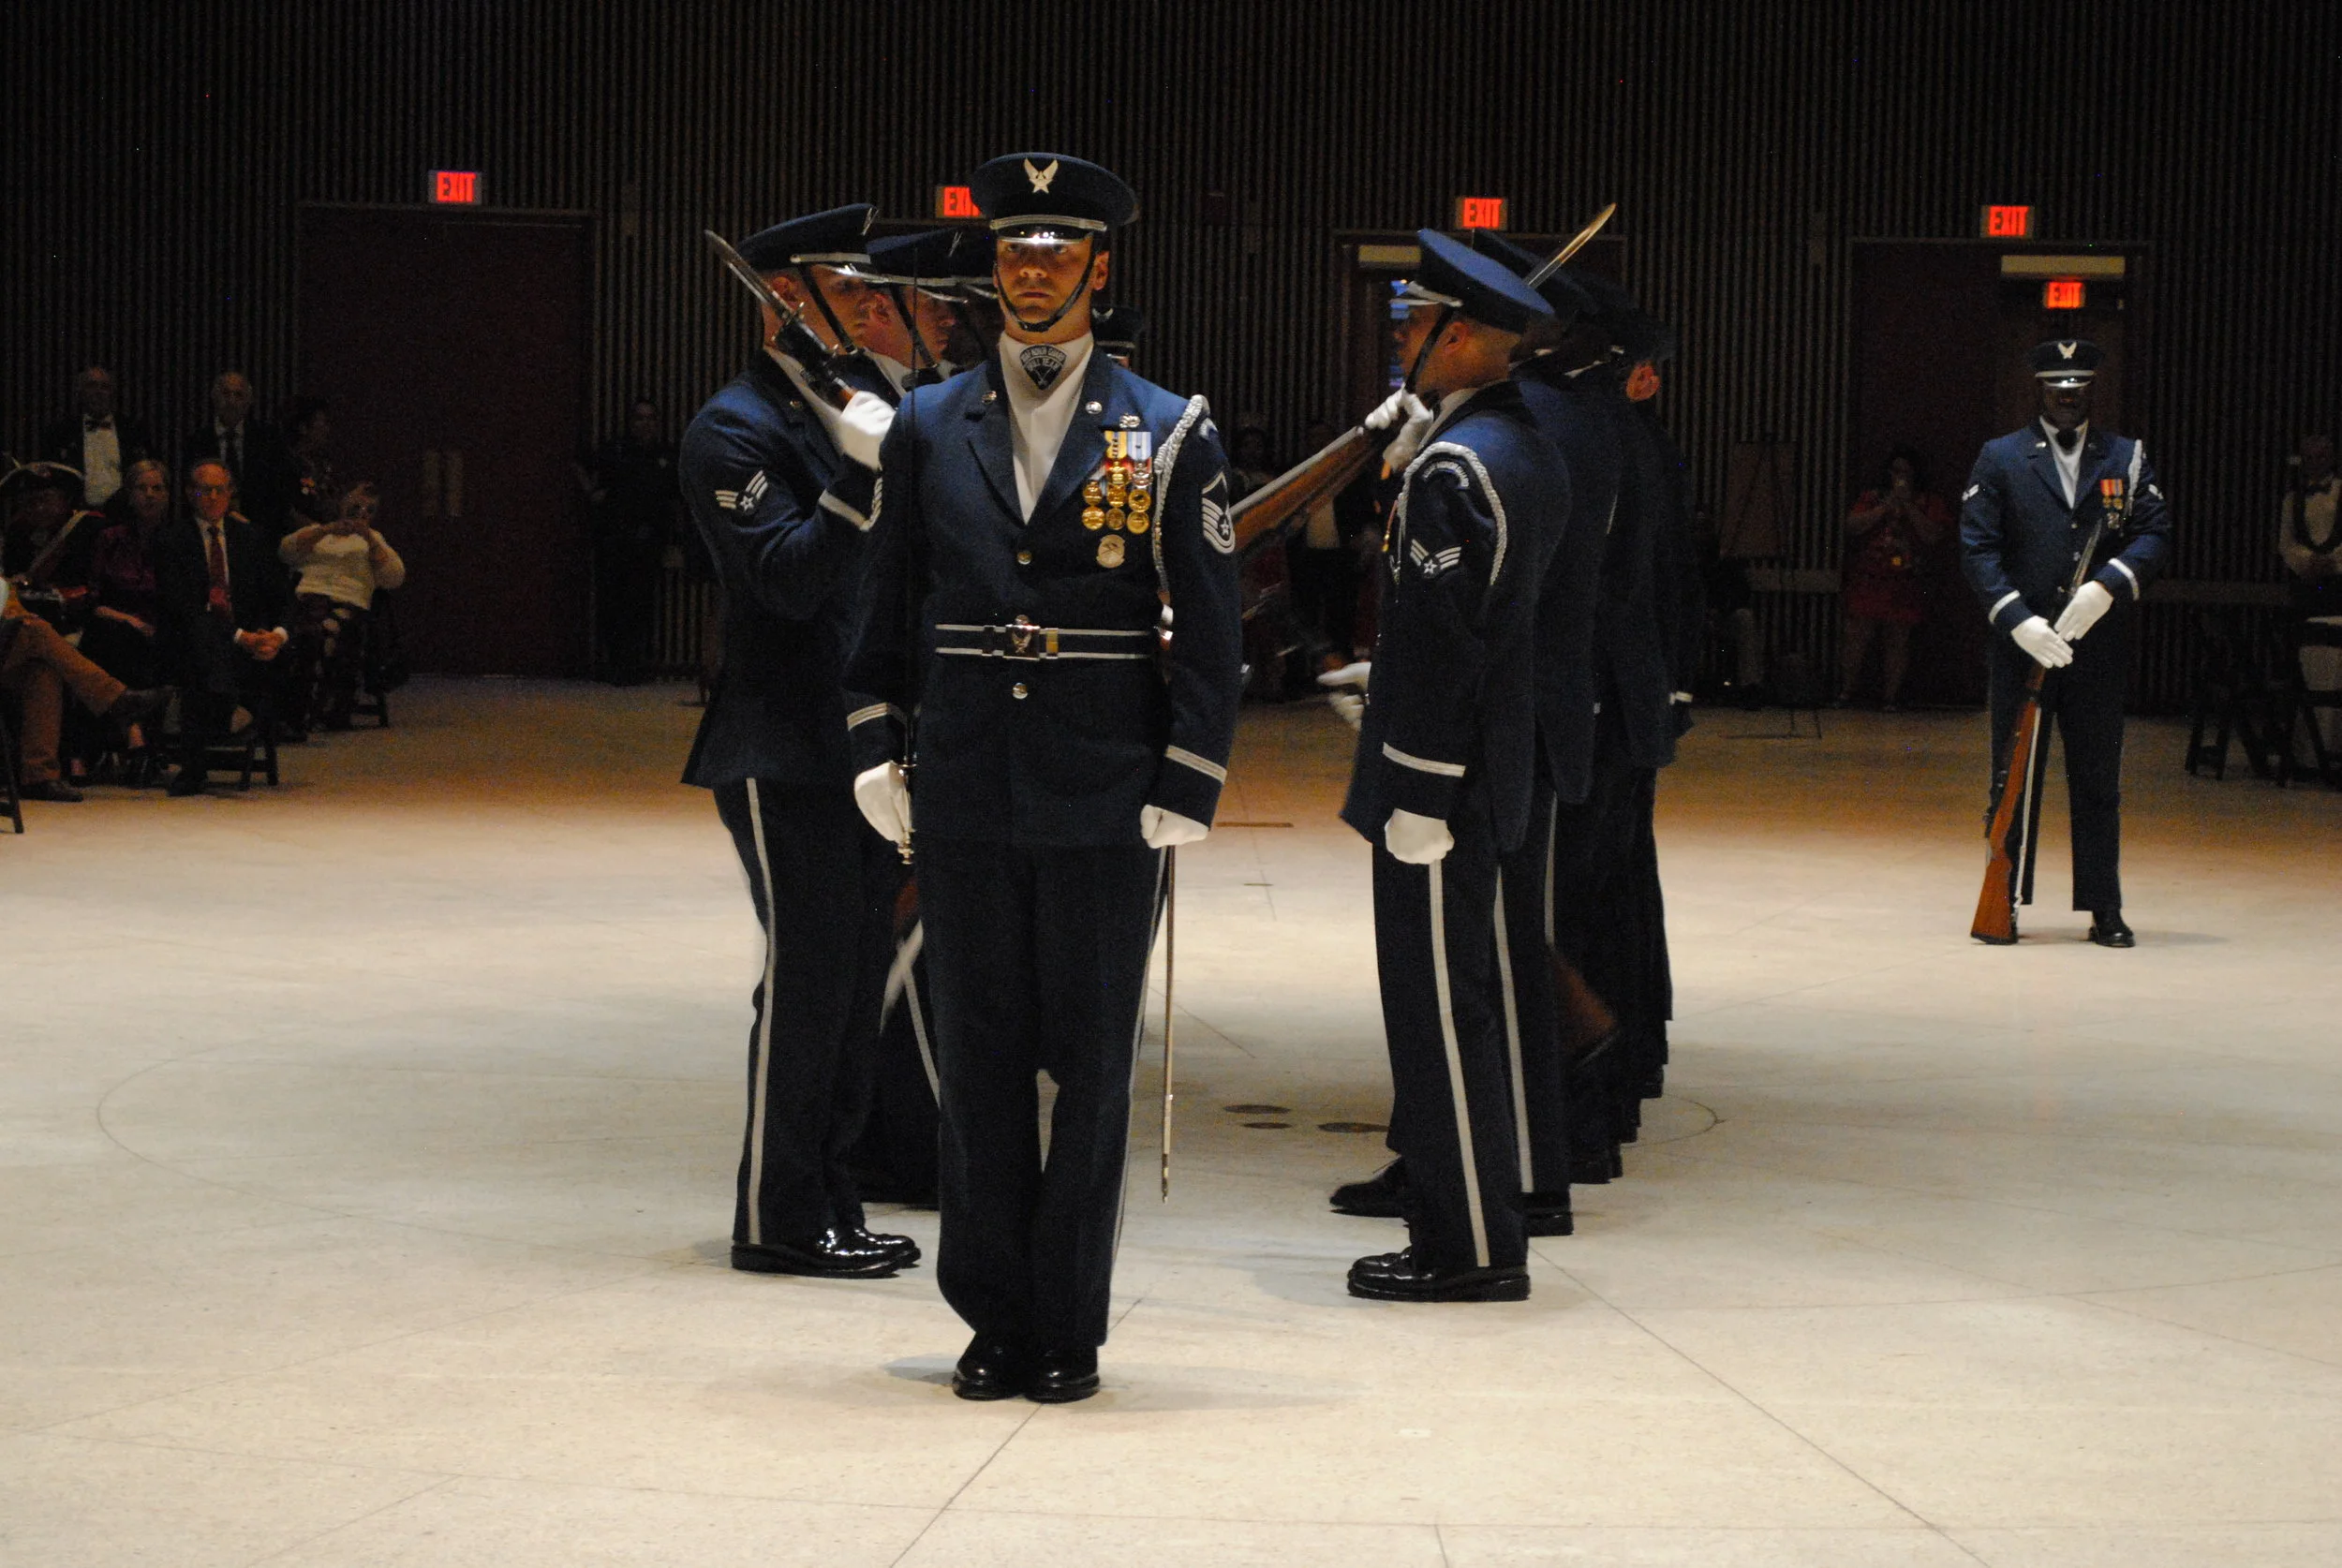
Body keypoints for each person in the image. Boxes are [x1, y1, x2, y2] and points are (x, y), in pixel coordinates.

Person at [840, 153, 1242, 1402]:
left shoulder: (1167, 427)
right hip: (965, 778)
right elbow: (886, 598)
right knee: (979, 1061)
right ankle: (991, 1314)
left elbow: (1213, 622)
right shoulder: (926, 424)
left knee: (1092, 1064)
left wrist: (1191, 771)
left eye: (1057, 250)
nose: (1032, 270)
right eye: (1015, 249)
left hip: (1107, 787)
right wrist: (872, 737)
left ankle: (1066, 1321)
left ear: (1098, 270)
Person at [678, 202, 918, 1284]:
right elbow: (783, 579)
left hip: (864, 744)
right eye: (848, 289)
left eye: (870, 290)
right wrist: (860, 479)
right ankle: (777, 1217)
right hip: (781, 745)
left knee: (859, 976)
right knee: (811, 977)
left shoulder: (863, 405)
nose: (870, 307)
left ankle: (832, 1196)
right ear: (787, 298)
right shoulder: (733, 429)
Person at [1333, 229, 1560, 1305]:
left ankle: (1466, 1243)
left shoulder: (1456, 469)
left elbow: (1441, 645)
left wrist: (1415, 785)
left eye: (1413, 326)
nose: (1401, 343)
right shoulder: (1524, 445)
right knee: (1463, 1001)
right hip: (1491, 767)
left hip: (1440, 785)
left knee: (1437, 1014)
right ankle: (1469, 1223)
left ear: (1459, 337)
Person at [1959, 339, 2172, 947]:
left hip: (2095, 649)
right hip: (2022, 647)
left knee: (2099, 781)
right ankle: (2002, 896)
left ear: (2091, 391)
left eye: (2078, 388)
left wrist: (2108, 586)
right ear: (2040, 390)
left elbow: (2154, 533)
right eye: (2058, 387)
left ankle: (2105, 905)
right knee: (2012, 776)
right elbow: (1977, 546)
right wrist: (2016, 618)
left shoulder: (2126, 457)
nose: (2068, 397)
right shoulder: (2001, 457)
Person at [152, 458, 292, 795]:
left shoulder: (251, 537)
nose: (213, 497)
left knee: (265, 651)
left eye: (220, 490)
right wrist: (239, 637)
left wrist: (276, 636)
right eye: (205, 490)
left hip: (248, 641)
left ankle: (217, 717)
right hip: (190, 641)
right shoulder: (171, 540)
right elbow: (182, 606)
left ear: (230, 493)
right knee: (202, 640)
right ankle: (222, 713)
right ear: (190, 494)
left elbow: (283, 595)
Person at [278, 481, 406, 732]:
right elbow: (286, 551)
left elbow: (394, 577)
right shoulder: (318, 532)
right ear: (342, 504)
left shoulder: (374, 540)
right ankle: (302, 706)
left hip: (347, 602)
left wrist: (368, 538)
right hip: (309, 598)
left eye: (369, 510)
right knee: (306, 627)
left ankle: (306, 708)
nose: (361, 514)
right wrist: (326, 530)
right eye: (356, 507)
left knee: (324, 631)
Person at [82, 459, 176, 775]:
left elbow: (183, 599)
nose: (150, 495)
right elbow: (93, 600)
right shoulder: (110, 538)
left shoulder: (178, 539)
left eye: (157, 488)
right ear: (129, 494)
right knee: (112, 636)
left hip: (162, 629)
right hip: (115, 625)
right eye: (141, 488)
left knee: (130, 646)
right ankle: (137, 739)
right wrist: (129, 621)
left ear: (168, 495)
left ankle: (102, 746)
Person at [1838, 448, 1950, 708]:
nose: (1901, 477)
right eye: (1896, 471)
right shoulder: (1873, 498)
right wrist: (1885, 508)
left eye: (1907, 473)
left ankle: (1891, 698)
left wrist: (1908, 505)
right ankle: (1846, 692)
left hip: (1905, 581)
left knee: (1897, 640)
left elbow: (1933, 535)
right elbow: (1851, 526)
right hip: (1870, 577)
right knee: (1856, 636)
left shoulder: (1927, 501)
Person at [579, 400, 679, 685]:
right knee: (613, 604)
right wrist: (592, 493)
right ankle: (615, 664)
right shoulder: (616, 450)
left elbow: (674, 500)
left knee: (642, 605)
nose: (645, 424)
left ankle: (636, 664)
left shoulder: (666, 456)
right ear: (630, 423)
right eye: (639, 418)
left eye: (650, 418)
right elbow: (581, 462)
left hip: (649, 543)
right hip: (616, 541)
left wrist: (674, 541)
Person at [184, 372, 299, 541]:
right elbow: (192, 491)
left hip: (261, 532)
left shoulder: (268, 440)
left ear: (249, 401)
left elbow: (279, 491)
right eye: (225, 394)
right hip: (208, 531)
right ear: (214, 398)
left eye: (238, 395)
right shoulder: (197, 442)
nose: (231, 401)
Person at [2278, 433, 2341, 694]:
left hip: (2340, 584)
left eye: (2321, 456)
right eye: (2310, 457)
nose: (2316, 462)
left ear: (2332, 458)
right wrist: (2309, 562)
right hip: (2306, 586)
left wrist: (2333, 562)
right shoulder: (2292, 499)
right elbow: (2286, 543)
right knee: (2305, 647)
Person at [39, 366, 153, 509]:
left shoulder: (133, 431)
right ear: (80, 393)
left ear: (113, 393)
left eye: (104, 387)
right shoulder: (61, 433)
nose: (98, 392)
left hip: (124, 512)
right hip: (76, 513)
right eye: (91, 386)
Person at [283, 397, 337, 526]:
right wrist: (317, 529)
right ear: (303, 427)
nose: (327, 429)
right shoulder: (286, 464)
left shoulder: (322, 462)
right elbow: (286, 509)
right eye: (323, 423)